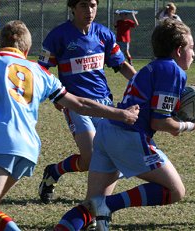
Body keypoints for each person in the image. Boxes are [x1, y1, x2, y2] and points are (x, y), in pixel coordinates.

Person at [0, 20, 139, 231]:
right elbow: (80, 103)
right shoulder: (39, 71)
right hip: (29, 148)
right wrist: (121, 114)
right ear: (27, 48)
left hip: (1, 141)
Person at [53, 19, 195, 231]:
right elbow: (160, 121)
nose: (194, 54)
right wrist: (190, 125)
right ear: (179, 50)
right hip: (129, 136)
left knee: (89, 207)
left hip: (108, 132)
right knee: (175, 191)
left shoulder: (153, 68)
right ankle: (108, 205)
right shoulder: (173, 71)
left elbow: (161, 107)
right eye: (192, 48)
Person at [37, 0, 137, 204]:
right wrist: (55, 94)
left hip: (104, 104)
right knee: (92, 157)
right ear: (72, 8)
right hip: (75, 104)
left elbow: (121, 65)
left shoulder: (104, 34)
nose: (89, 10)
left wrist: (141, 84)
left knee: (101, 158)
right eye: (83, 5)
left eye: (92, 5)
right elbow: (42, 70)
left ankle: (54, 171)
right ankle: (95, 205)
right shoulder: (58, 35)